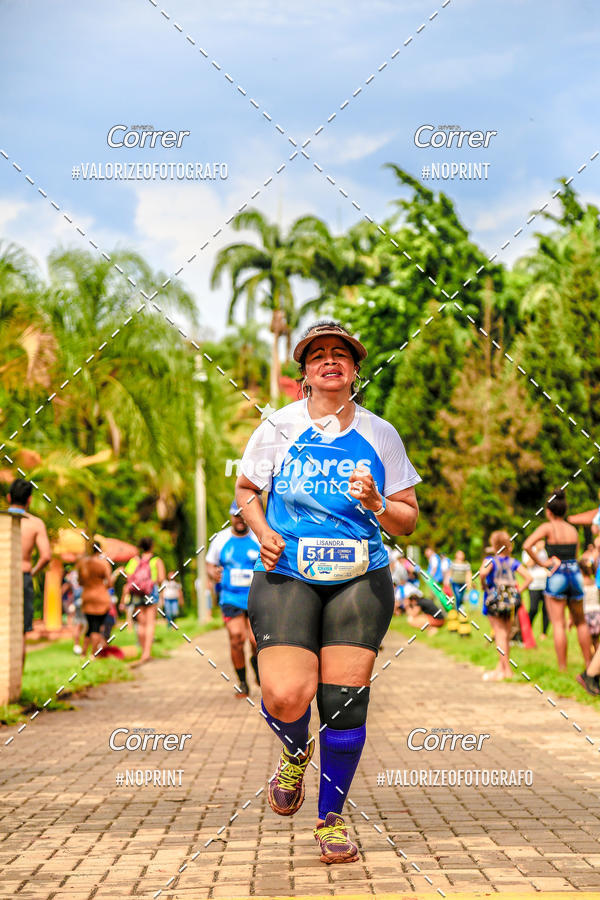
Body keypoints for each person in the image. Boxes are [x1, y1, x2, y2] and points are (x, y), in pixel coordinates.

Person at [235, 320, 420, 864]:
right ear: (306, 372)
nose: (330, 360)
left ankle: (331, 819)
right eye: (319, 354)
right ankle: (296, 752)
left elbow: (408, 518)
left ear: (356, 370)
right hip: (287, 571)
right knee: (284, 695)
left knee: (342, 704)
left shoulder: (381, 434)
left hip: (360, 578)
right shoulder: (279, 426)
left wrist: (378, 503)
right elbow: (246, 490)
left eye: (341, 353)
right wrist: (263, 532)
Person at [523, 489, 592, 673]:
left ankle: (563, 668)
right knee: (581, 622)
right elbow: (576, 555)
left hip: (557, 574)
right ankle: (589, 666)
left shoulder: (548, 527)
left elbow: (527, 545)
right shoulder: (572, 529)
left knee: (558, 624)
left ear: (549, 511)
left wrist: (542, 563)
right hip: (575, 574)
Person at [206, 502, 261, 696]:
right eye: (236, 515)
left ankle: (257, 668)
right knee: (237, 638)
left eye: (243, 515)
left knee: (256, 641)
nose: (240, 519)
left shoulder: (257, 537)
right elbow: (210, 563)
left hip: (255, 597)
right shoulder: (220, 539)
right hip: (230, 597)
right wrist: (213, 573)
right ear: (231, 516)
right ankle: (243, 682)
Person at [7, 478, 51, 665]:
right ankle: (16, 679)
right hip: (22, 577)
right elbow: (46, 556)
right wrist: (31, 572)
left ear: (9, 497)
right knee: (20, 632)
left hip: (2, 576)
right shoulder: (35, 524)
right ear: (29, 500)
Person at [480, 531, 533, 681]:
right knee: (506, 634)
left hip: (494, 601)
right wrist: (518, 591)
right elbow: (529, 578)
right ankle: (500, 669)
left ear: (494, 545)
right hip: (511, 602)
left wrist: (484, 586)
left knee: (500, 635)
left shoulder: (491, 560)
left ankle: (506, 670)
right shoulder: (513, 562)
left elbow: (483, 573)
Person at [120, 538, 166, 666]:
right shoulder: (156, 560)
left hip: (136, 592)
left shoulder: (135, 560)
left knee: (141, 624)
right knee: (150, 623)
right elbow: (161, 578)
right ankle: (147, 653)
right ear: (152, 546)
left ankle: (142, 652)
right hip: (151, 592)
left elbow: (128, 577)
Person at [77, 547, 112, 656]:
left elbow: (80, 582)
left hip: (87, 596)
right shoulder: (103, 563)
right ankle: (94, 654)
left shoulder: (83, 564)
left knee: (90, 626)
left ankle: (83, 653)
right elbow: (110, 582)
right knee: (97, 627)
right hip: (101, 597)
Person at [522, 540, 549, 640]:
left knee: (546, 610)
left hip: (545, 583)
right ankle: (527, 631)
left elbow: (546, 564)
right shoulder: (528, 550)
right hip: (534, 584)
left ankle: (544, 633)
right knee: (533, 609)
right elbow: (529, 564)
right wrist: (536, 551)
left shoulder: (545, 551)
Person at [579, 557, 600, 654]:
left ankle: (590, 660)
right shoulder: (595, 582)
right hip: (597, 613)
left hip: (586, 614)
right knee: (596, 640)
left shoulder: (581, 584)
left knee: (588, 641)